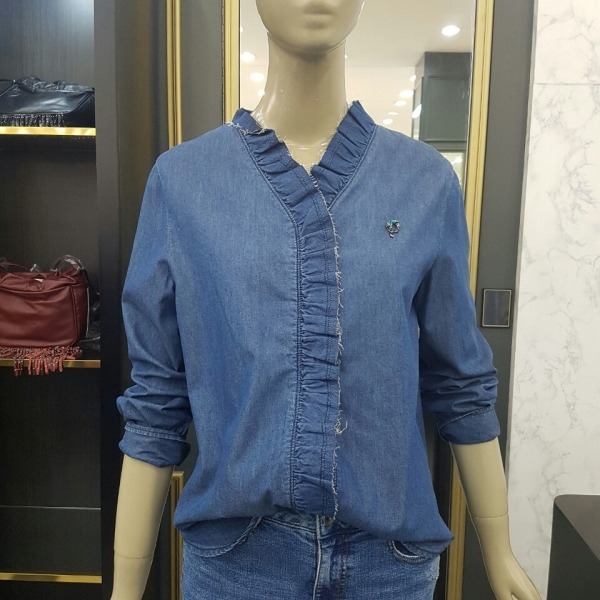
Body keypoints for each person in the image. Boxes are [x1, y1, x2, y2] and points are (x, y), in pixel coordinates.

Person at [111, 1, 541, 598]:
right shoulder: (183, 181)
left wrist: (499, 550)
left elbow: (460, 380)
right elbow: (157, 398)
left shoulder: (423, 181)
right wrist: (126, 585)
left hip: (388, 568)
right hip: (238, 566)